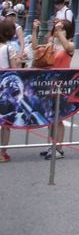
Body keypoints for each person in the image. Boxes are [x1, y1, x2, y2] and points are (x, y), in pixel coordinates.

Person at [32, 17, 75, 158]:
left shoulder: (70, 45)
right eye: (57, 28)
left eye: (62, 28)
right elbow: (35, 48)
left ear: (67, 31)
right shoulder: (51, 44)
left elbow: (68, 48)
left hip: (61, 85)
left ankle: (58, 148)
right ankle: (52, 145)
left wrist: (59, 32)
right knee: (50, 117)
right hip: (48, 84)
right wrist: (34, 30)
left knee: (58, 118)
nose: (57, 30)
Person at [0, 18, 18, 162]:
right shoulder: (9, 48)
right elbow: (14, 70)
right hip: (5, 90)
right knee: (5, 123)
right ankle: (2, 153)